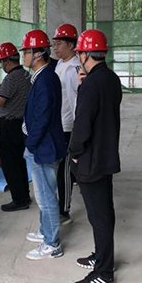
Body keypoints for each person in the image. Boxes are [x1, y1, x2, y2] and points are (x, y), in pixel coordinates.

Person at [69, 29, 122, 283]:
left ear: (86, 54)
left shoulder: (91, 84)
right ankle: (102, 257)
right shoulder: (111, 79)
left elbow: (82, 125)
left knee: (99, 216)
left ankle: (104, 273)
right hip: (106, 156)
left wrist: (74, 152)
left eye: (79, 52)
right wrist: (83, 85)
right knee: (104, 213)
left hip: (90, 159)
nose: (78, 56)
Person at [20, 29, 67, 261]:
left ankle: (52, 243)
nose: (23, 56)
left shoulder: (46, 80)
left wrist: (30, 144)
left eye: (26, 52)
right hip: (43, 145)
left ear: (38, 54)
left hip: (43, 147)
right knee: (43, 194)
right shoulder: (44, 76)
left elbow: (41, 118)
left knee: (46, 196)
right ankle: (44, 231)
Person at [0, 42, 32, 212]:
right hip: (21, 123)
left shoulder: (12, 77)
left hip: (10, 125)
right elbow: (11, 93)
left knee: (10, 164)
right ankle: (24, 195)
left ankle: (19, 199)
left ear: (7, 61)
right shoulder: (24, 74)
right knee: (19, 161)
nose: (1, 65)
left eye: (1, 61)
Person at [52, 23, 80, 226]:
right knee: (58, 169)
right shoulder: (60, 64)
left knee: (64, 170)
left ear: (71, 45)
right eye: (54, 43)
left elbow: (75, 102)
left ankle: (64, 210)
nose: (55, 47)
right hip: (57, 125)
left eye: (59, 43)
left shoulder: (73, 69)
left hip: (67, 127)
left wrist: (77, 130)